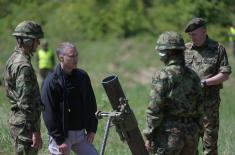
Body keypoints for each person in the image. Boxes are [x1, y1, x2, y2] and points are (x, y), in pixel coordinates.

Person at [143, 31, 203, 155]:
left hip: (169, 136)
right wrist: (198, 131)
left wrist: (149, 135)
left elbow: (154, 108)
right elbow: (201, 106)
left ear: (168, 53)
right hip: (191, 135)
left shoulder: (163, 75)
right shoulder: (194, 76)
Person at [184, 17, 232, 155]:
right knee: (188, 148)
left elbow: (225, 74)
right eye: (190, 35)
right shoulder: (185, 49)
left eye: (194, 34)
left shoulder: (217, 49)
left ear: (204, 31)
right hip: (188, 108)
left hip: (209, 108)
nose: (192, 37)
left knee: (209, 148)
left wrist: (204, 82)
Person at [41, 42, 98, 155]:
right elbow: (49, 112)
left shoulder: (82, 76)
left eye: (76, 55)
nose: (75, 59)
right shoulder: (51, 81)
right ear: (61, 58)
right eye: (72, 56)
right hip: (62, 136)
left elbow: (91, 103)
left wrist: (92, 128)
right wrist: (59, 140)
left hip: (81, 135)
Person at [4, 21, 44, 155]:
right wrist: (34, 131)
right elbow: (25, 102)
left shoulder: (13, 59)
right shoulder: (23, 66)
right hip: (25, 127)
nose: (38, 43)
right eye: (36, 40)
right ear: (27, 41)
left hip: (19, 123)